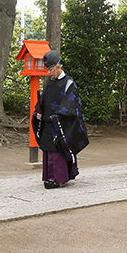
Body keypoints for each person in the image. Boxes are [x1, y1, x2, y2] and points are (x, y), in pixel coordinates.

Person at [32, 50, 89, 188]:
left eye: (51, 69)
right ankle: (48, 177)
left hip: (61, 123)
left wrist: (58, 115)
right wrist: (38, 112)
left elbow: (71, 103)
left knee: (58, 150)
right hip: (48, 122)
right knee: (48, 149)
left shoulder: (68, 83)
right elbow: (43, 101)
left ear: (58, 67)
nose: (49, 73)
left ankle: (58, 178)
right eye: (48, 70)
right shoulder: (50, 82)